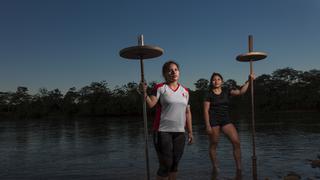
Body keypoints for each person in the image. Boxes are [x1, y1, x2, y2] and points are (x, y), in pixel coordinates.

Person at [140, 60, 193, 180]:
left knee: (175, 164)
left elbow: (187, 113)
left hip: (180, 132)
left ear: (179, 72)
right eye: (170, 70)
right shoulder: (160, 88)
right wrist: (144, 93)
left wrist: (190, 132)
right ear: (165, 74)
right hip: (162, 131)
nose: (173, 72)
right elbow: (151, 104)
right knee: (165, 164)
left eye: (175, 69)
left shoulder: (185, 91)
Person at [203, 72, 254, 179]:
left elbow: (241, 92)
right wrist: (207, 125)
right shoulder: (209, 94)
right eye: (214, 79)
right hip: (213, 121)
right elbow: (206, 111)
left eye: (218, 79)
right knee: (214, 144)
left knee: (236, 142)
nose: (216, 81)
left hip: (225, 120)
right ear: (211, 82)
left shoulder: (226, 91)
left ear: (222, 81)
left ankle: (239, 168)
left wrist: (249, 81)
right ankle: (215, 166)